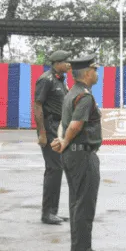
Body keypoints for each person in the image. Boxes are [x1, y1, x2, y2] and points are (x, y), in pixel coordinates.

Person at [50, 55, 105, 251]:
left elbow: (63, 123)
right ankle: (81, 249)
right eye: (95, 70)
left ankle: (79, 246)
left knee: (77, 201)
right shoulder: (84, 96)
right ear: (88, 73)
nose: (97, 74)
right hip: (82, 154)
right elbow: (75, 124)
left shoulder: (71, 93)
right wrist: (64, 141)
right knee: (84, 202)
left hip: (72, 154)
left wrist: (62, 140)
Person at [35, 50, 72, 224]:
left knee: (58, 169)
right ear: (57, 63)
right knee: (54, 169)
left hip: (58, 128)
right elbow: (38, 106)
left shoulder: (60, 80)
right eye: (65, 61)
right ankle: (47, 213)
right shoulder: (46, 80)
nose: (68, 64)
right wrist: (42, 133)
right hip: (49, 128)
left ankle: (52, 211)